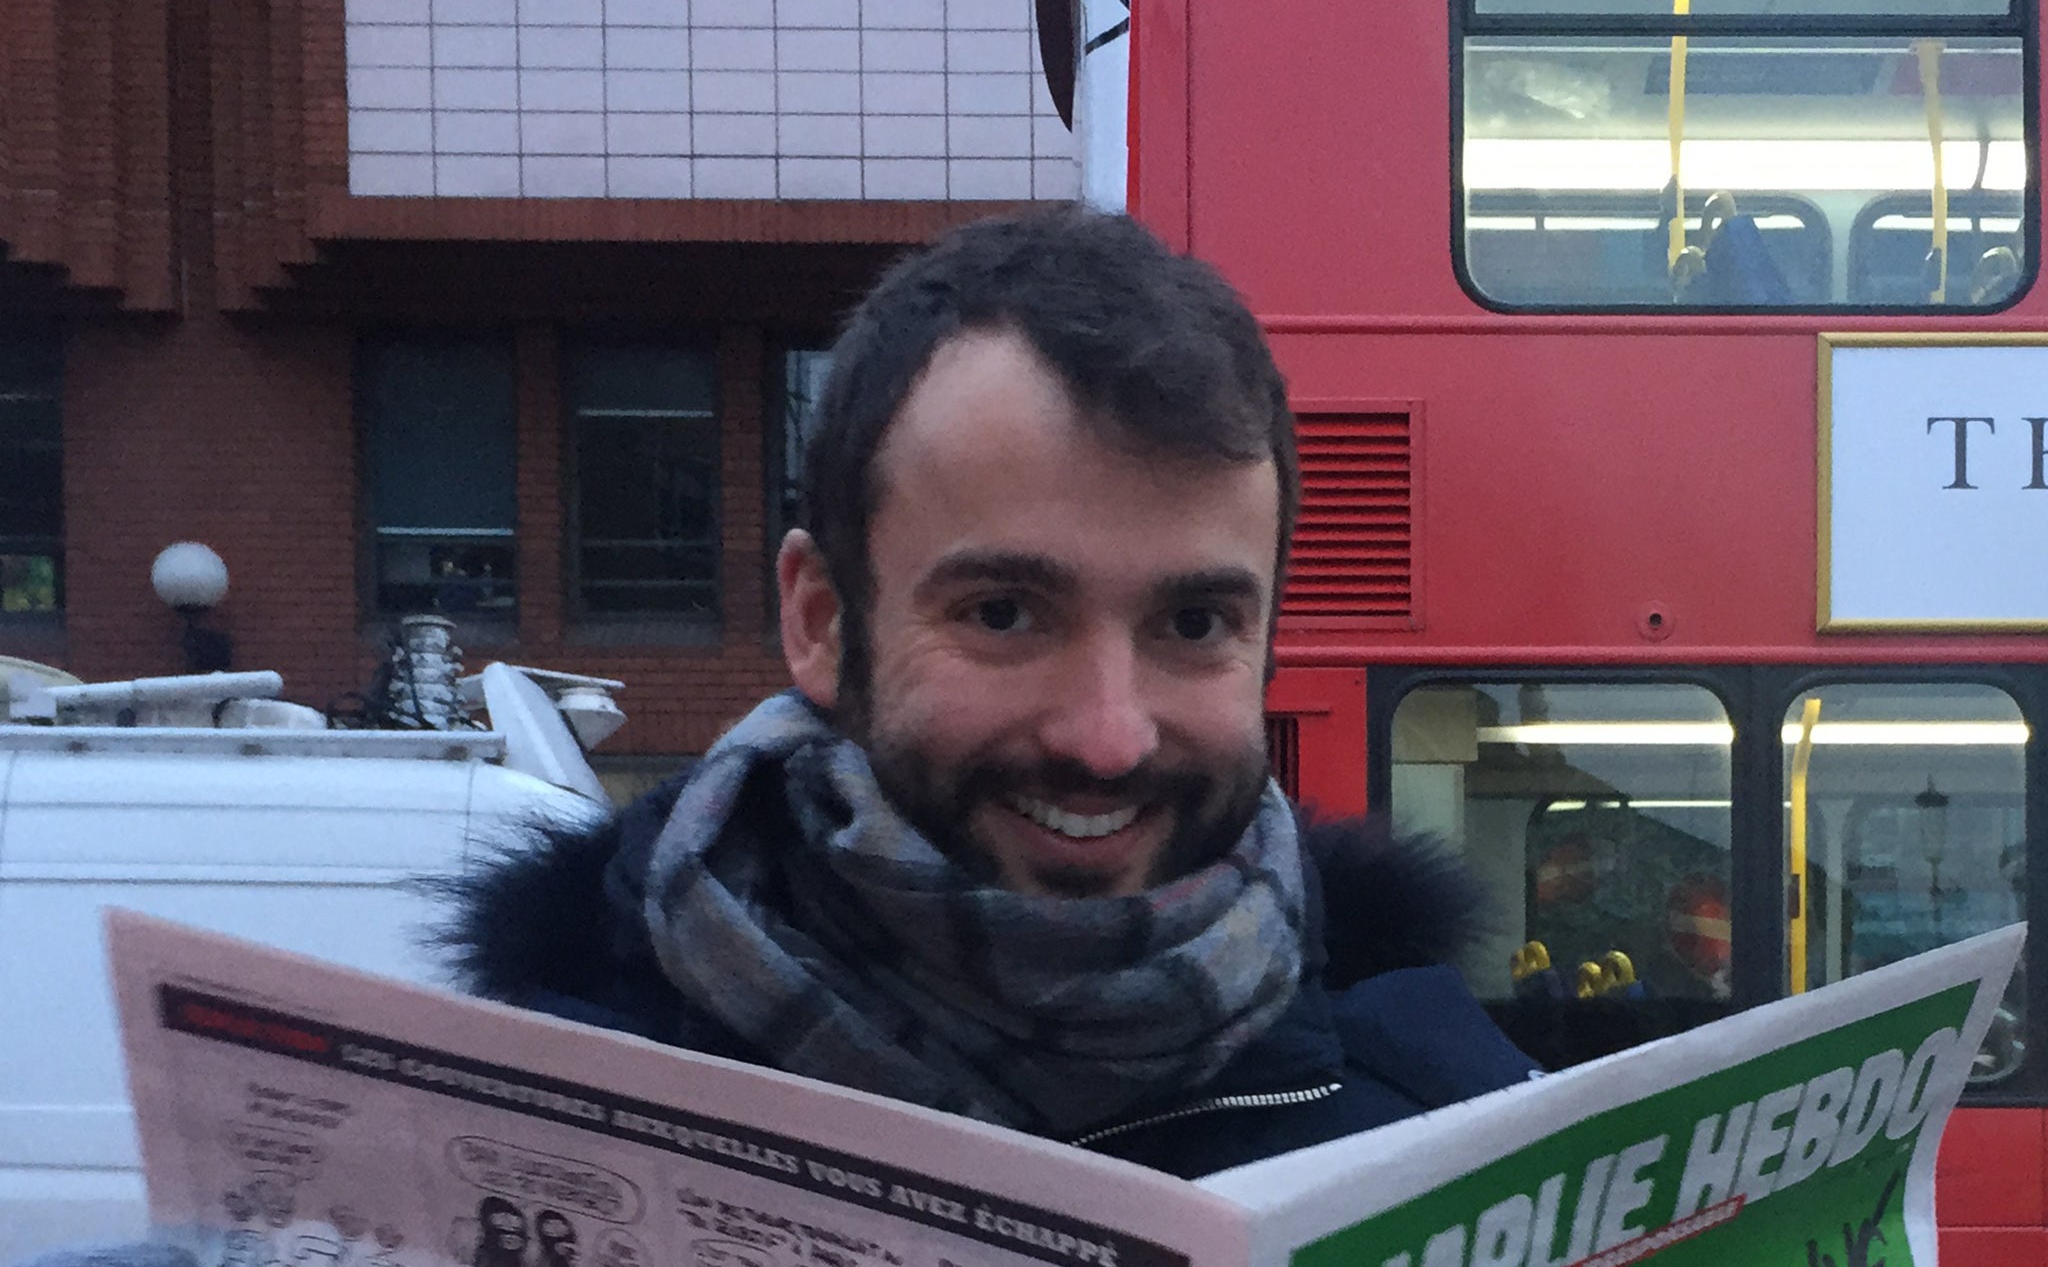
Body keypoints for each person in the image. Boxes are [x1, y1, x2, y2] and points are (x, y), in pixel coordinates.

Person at [442, 205, 1538, 1178]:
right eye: (1003, 613)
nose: (1107, 739)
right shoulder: (514, 1119)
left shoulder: (1452, 1131)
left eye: (1192, 625)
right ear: (823, 622)